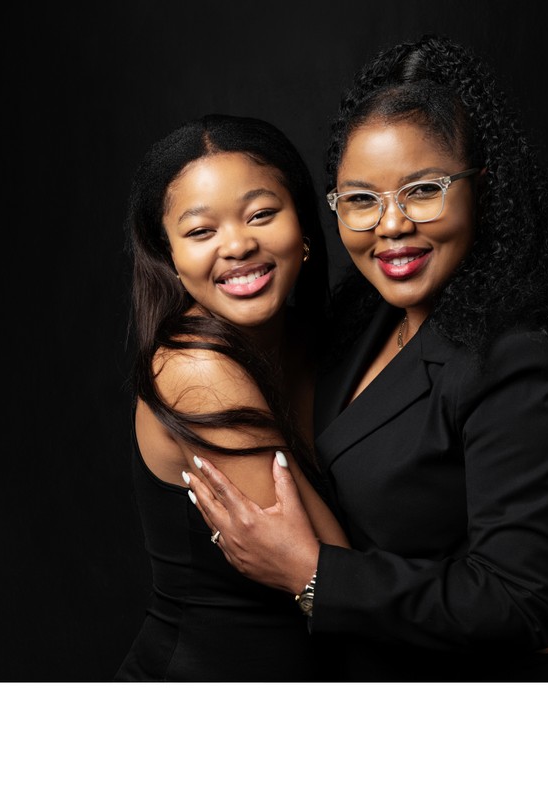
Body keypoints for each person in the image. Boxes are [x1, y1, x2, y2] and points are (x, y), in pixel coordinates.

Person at [185, 35, 548, 681]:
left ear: (485, 190)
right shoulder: (359, 321)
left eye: (423, 190)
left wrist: (312, 575)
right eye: (361, 200)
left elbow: (523, 603)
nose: (390, 225)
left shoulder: (518, 358)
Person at [114, 114, 352, 681]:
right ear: (168, 255)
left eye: (262, 214)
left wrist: (518, 571)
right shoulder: (195, 370)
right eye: (200, 232)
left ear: (304, 225)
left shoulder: (331, 340)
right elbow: (343, 583)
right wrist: (511, 614)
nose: (239, 244)